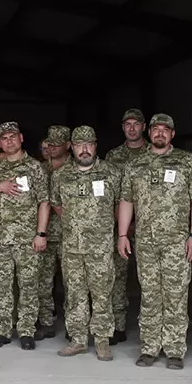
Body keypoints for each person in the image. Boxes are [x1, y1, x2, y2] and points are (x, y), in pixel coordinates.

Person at [118, 114, 192, 368]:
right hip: (146, 242)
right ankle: (149, 347)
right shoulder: (135, 164)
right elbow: (126, 201)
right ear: (149, 133)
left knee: (176, 295)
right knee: (150, 295)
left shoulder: (187, 161)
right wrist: (123, 235)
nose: (160, 133)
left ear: (172, 134)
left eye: (165, 129)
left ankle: (175, 350)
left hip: (177, 242)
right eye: (156, 129)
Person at [0, 121, 49, 350]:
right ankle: (2, 330)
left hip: (28, 239)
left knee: (29, 285)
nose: (9, 141)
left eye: (12, 137)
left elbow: (44, 202)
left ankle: (26, 330)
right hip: (1, 239)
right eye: (4, 138)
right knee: (1, 286)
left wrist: (41, 233)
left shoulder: (35, 167)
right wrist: (0, 186)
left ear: (21, 138)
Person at [51, 126, 122, 361]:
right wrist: (75, 222)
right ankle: (78, 340)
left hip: (100, 248)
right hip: (72, 247)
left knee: (102, 294)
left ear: (95, 145)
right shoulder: (61, 175)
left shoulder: (111, 173)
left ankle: (102, 341)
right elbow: (56, 204)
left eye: (89, 144)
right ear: (71, 147)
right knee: (75, 294)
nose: (84, 149)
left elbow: (120, 206)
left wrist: (101, 225)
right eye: (79, 144)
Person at [103, 108, 148, 344]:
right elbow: (110, 194)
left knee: (149, 278)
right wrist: (122, 223)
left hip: (149, 227)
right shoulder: (113, 156)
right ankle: (118, 325)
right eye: (128, 124)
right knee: (117, 275)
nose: (132, 128)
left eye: (136, 124)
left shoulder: (154, 153)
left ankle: (150, 330)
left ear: (144, 127)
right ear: (122, 128)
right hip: (119, 226)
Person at [35, 125, 70, 338]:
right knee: (43, 280)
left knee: (72, 282)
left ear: (68, 145)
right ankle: (46, 321)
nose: (52, 147)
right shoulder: (39, 169)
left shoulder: (77, 169)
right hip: (45, 234)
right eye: (50, 143)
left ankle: (73, 325)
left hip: (69, 234)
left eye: (58, 144)